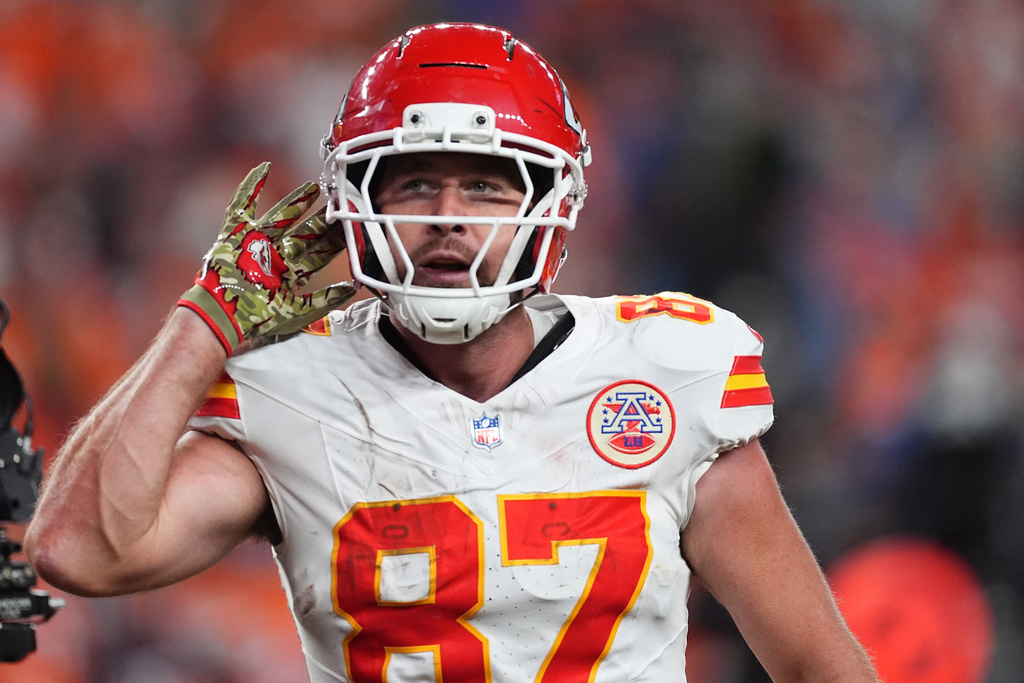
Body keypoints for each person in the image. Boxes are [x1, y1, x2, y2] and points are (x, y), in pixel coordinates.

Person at [24, 22, 878, 682]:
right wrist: (200, 327)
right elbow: (75, 549)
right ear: (355, 203)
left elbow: (820, 665)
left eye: (484, 185)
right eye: (416, 183)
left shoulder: (662, 372)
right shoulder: (294, 390)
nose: (447, 217)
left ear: (549, 203)